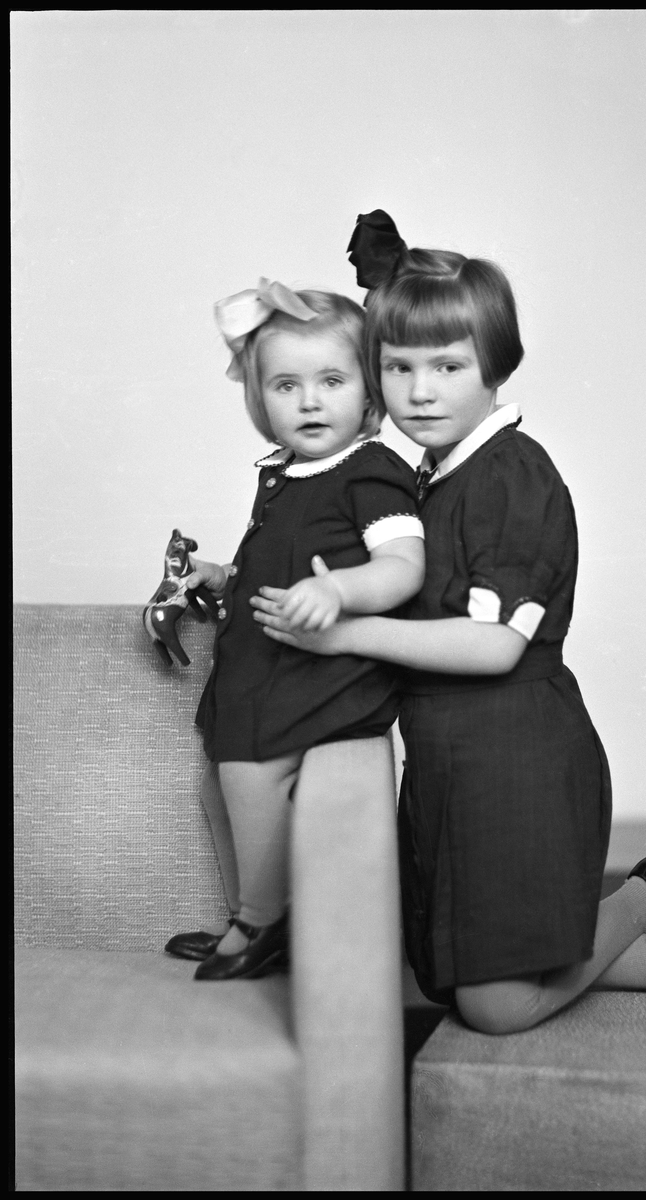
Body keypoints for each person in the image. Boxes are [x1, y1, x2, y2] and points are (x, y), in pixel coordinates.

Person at [250, 215, 646, 1032]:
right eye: (398, 367)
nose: (420, 391)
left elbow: (494, 645)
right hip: (451, 762)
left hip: (516, 757)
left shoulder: (511, 477)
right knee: (447, 976)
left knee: (495, 1005)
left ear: (495, 364)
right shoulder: (428, 476)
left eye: (448, 366)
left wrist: (343, 634)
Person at [164, 278, 425, 981]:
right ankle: (246, 918)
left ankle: (263, 921)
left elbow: (403, 566)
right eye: (286, 385)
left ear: (368, 392)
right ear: (261, 399)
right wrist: (222, 577)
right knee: (219, 787)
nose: (310, 401)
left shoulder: (371, 471)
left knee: (249, 778)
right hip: (260, 674)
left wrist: (337, 590)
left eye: (331, 381)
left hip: (318, 678)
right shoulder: (286, 472)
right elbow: (272, 564)